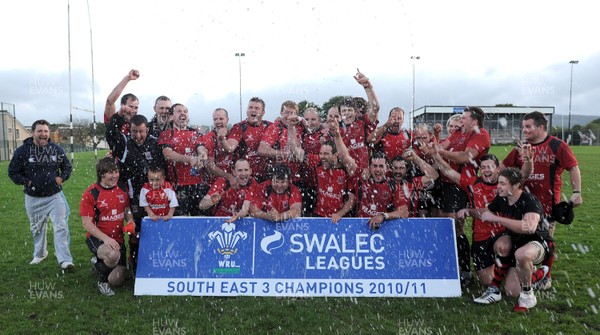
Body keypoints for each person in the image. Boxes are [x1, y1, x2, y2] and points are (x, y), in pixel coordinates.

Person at [501, 111, 582, 290]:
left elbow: (573, 167)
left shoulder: (557, 145)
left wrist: (577, 191)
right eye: (523, 127)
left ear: (541, 127)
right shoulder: (521, 147)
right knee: (523, 241)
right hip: (522, 205)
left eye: (528, 126)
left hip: (547, 205)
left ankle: (546, 277)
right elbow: (503, 167)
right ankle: (523, 272)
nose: (525, 130)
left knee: (546, 241)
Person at [463, 168, 553, 312]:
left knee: (521, 255)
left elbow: (529, 227)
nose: (498, 187)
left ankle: (529, 294)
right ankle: (502, 286)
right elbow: (485, 213)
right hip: (517, 244)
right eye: (499, 183)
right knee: (511, 291)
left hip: (538, 242)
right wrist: (467, 211)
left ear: (516, 185)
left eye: (503, 184)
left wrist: (497, 218)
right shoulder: (502, 199)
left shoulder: (530, 201)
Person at [434, 106, 491, 286]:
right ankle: (443, 266)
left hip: (461, 184)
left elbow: (465, 157)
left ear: (474, 121)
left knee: (455, 227)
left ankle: (464, 269)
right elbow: (443, 145)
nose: (460, 122)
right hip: (444, 183)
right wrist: (435, 147)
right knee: (439, 222)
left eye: (464, 118)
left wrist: (439, 153)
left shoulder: (480, 135)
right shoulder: (460, 132)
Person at [8, 119, 75, 270]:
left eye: (46, 131)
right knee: (37, 229)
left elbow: (67, 167)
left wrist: (62, 177)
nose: (43, 134)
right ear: (33, 133)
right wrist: (27, 182)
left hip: (54, 196)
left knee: (60, 226)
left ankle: (65, 260)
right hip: (33, 198)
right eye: (40, 131)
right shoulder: (23, 151)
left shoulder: (56, 149)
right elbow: (12, 172)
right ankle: (40, 254)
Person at [435, 153, 509, 286]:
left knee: (503, 248)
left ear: (498, 169)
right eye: (483, 167)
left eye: (490, 167)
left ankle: (513, 267)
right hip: (481, 236)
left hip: (502, 233)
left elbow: (525, 174)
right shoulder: (473, 183)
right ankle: (502, 270)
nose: (486, 170)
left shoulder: (505, 184)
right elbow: (448, 171)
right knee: (486, 282)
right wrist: (434, 154)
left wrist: (528, 161)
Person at [107, 114, 166, 272]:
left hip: (155, 196)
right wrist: (118, 116)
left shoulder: (155, 143)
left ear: (147, 129)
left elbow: (163, 168)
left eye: (141, 131)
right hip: (133, 197)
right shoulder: (125, 143)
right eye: (134, 132)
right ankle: (135, 264)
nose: (138, 136)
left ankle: (156, 262)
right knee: (136, 233)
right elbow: (110, 133)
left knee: (156, 230)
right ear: (130, 130)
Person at [80, 158, 135, 296]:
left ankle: (99, 264)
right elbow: (86, 223)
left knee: (117, 281)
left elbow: (127, 208)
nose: (115, 176)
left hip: (118, 239)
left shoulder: (122, 188)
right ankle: (102, 282)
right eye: (111, 173)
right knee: (112, 254)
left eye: (116, 172)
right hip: (98, 238)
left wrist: (130, 220)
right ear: (101, 174)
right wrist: (106, 239)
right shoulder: (91, 193)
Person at [289, 119, 358, 223]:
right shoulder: (318, 162)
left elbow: (351, 199)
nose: (322, 157)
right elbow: (296, 151)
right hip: (318, 216)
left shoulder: (345, 170)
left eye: (326, 154)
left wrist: (339, 214)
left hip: (341, 219)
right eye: (321, 153)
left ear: (335, 155)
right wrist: (291, 128)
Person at [158, 103, 208, 216]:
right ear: (171, 116)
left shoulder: (195, 133)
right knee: (181, 222)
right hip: (179, 187)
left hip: (198, 185)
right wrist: (189, 159)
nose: (183, 113)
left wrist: (202, 155)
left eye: (185, 111)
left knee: (201, 221)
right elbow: (167, 154)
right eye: (179, 111)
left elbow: (201, 148)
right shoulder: (167, 134)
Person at [219, 97, 273, 182]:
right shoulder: (239, 127)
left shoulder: (270, 126)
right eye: (250, 107)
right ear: (247, 111)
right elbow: (230, 148)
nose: (253, 110)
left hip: (266, 175)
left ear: (263, 112)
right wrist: (222, 140)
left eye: (257, 108)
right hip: (245, 177)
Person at [356, 152, 407, 230]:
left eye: (381, 166)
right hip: (358, 227)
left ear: (387, 168)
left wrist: (383, 216)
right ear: (369, 167)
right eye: (375, 166)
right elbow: (346, 159)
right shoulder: (361, 179)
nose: (378, 169)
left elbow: (404, 212)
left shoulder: (394, 185)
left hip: (383, 229)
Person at [258, 100, 305, 183]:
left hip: (297, 177)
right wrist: (284, 154)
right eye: (287, 112)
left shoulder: (300, 127)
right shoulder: (275, 128)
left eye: (292, 113)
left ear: (297, 115)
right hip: (278, 177)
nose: (289, 116)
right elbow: (262, 150)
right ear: (281, 112)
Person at [199, 158, 259, 223]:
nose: (243, 173)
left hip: (240, 222)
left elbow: (245, 209)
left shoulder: (252, 183)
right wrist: (212, 201)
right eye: (240, 170)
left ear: (250, 171)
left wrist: (237, 215)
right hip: (218, 221)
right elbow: (201, 205)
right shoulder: (223, 182)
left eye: (246, 170)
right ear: (234, 172)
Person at [389, 150, 439, 218]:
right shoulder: (385, 183)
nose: (398, 171)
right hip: (389, 223)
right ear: (390, 169)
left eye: (401, 168)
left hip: (411, 223)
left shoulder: (413, 183)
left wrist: (416, 158)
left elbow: (434, 175)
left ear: (406, 170)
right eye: (395, 168)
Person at [104, 69, 140, 137]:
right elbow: (109, 102)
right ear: (122, 105)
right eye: (131, 107)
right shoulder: (114, 120)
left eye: (136, 108)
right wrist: (127, 78)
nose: (133, 111)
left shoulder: (138, 124)